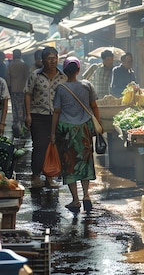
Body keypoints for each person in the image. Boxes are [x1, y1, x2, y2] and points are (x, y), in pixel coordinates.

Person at [50, 56, 100, 213]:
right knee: (85, 161)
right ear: (78, 70)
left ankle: (75, 200)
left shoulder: (60, 88)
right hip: (84, 129)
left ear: (64, 72)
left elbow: (57, 112)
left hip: (67, 131)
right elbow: (94, 106)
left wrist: (52, 133)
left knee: (69, 163)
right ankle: (86, 195)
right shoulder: (87, 85)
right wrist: (98, 124)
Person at [24, 47, 67, 188]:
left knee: (54, 146)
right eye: (49, 58)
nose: (52, 61)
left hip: (57, 117)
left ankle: (49, 176)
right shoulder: (35, 76)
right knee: (40, 146)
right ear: (43, 60)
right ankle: (35, 175)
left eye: (55, 57)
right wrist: (28, 114)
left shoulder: (63, 77)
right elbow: (28, 94)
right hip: (38, 116)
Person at [6, 49, 30, 138]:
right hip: (23, 90)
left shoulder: (10, 66)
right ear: (20, 55)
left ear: (13, 55)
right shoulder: (24, 65)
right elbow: (28, 78)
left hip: (14, 90)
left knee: (15, 107)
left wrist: (9, 88)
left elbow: (8, 78)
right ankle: (22, 125)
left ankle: (17, 124)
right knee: (22, 107)